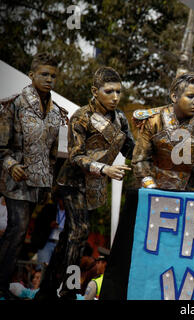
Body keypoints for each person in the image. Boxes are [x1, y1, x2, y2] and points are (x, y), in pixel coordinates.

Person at [35, 66, 135, 300]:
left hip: (94, 186)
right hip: (72, 183)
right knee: (80, 233)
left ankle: (46, 290)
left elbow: (132, 150)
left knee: (68, 239)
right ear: (94, 91)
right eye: (109, 91)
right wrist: (105, 168)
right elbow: (75, 156)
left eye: (119, 92)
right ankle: (69, 290)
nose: (116, 97)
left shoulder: (120, 118)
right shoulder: (81, 116)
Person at [0, 52, 68, 300]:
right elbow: (1, 146)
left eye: (53, 75)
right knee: (17, 227)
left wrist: (48, 183)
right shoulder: (14, 104)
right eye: (44, 74)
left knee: (20, 230)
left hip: (37, 183)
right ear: (31, 76)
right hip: (14, 178)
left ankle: (4, 282)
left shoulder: (56, 112)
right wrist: (9, 164)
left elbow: (52, 153)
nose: (50, 79)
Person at [131, 72, 194, 192]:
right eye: (191, 96)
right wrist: (151, 187)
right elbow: (140, 159)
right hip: (153, 191)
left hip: (190, 196)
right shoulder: (154, 121)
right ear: (174, 97)